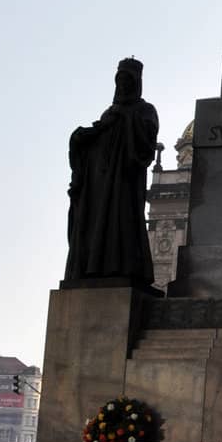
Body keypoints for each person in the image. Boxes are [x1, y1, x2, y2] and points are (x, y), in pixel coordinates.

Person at [64, 58, 159, 286]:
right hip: (100, 182)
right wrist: (82, 138)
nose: (124, 85)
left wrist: (123, 122)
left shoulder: (145, 110)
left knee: (122, 224)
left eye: (128, 80)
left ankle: (122, 268)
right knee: (95, 225)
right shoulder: (109, 112)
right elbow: (97, 140)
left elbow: (145, 145)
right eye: (120, 80)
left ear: (137, 83)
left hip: (123, 183)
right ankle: (93, 268)